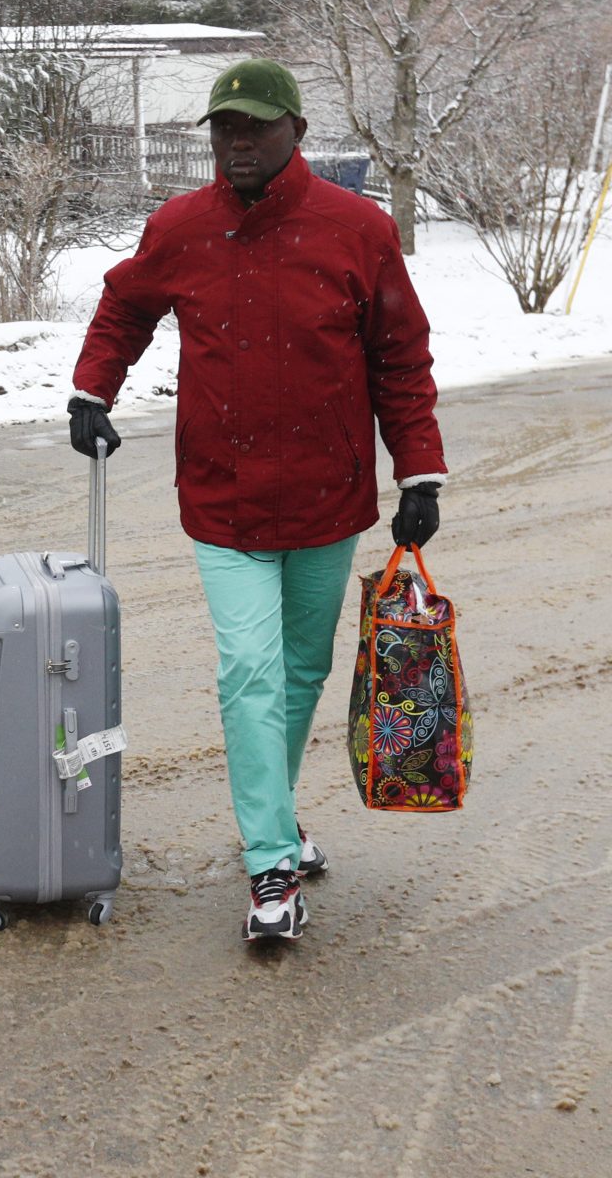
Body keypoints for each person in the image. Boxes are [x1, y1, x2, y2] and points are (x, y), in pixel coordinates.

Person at [67, 59, 446, 943]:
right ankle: (270, 864)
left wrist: (418, 473)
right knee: (249, 672)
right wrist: (94, 389)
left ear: (295, 133)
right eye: (223, 129)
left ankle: (273, 815)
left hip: (329, 495)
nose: (237, 144)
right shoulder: (182, 227)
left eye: (255, 128)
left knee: (303, 673)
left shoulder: (359, 229)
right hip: (223, 497)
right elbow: (125, 308)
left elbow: (401, 354)